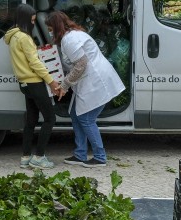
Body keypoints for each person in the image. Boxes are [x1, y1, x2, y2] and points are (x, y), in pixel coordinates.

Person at [45, 11, 124, 168]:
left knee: (86, 119)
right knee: (75, 114)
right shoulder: (73, 35)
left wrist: (65, 85)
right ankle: (80, 153)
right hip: (90, 80)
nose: (49, 31)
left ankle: (100, 157)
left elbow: (81, 65)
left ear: (56, 27)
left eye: (50, 28)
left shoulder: (69, 40)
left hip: (96, 81)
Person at [5, 4, 61, 170]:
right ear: (25, 19)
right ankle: (39, 157)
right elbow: (34, 62)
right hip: (35, 82)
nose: (33, 23)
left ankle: (25, 157)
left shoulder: (13, 37)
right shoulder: (24, 37)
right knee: (50, 118)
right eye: (32, 20)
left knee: (31, 121)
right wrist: (51, 81)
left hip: (24, 84)